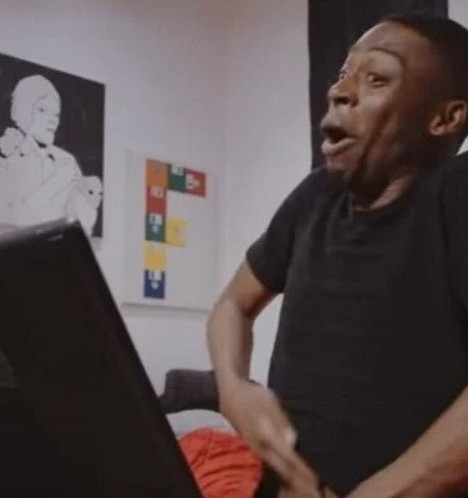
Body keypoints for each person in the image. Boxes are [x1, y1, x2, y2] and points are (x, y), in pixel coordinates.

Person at [207, 15, 468, 498]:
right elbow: (232, 305)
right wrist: (233, 390)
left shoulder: (454, 195)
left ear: (444, 119)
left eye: (377, 78)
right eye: (343, 74)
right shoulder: (316, 197)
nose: (339, 92)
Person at [0, 75, 102, 235]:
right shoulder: (7, 156)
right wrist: (56, 183)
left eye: (56, 114)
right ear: (20, 111)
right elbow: (11, 219)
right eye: (42, 110)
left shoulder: (67, 161)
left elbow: (82, 227)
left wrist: (90, 199)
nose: (52, 120)